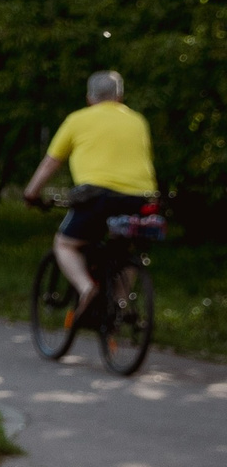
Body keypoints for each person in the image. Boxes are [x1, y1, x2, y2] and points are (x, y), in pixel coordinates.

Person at [23, 70, 157, 313]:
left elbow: (52, 162)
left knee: (65, 244)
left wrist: (31, 193)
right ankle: (120, 307)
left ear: (89, 97)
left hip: (97, 195)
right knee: (126, 249)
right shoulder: (137, 120)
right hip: (141, 197)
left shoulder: (78, 120)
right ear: (120, 96)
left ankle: (87, 289)